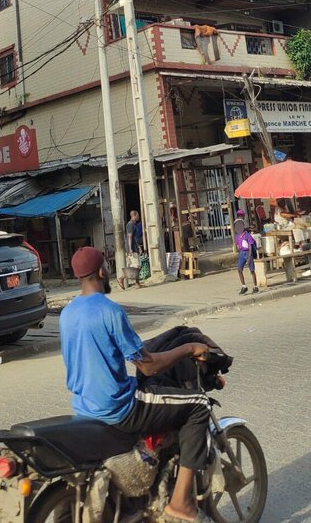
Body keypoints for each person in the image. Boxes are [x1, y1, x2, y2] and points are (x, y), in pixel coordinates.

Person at [60, 246, 212, 523]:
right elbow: (148, 364)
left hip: (83, 406)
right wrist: (188, 347)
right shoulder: (109, 310)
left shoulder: (67, 313)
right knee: (199, 405)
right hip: (118, 408)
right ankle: (180, 503)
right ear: (102, 272)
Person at [117, 209, 144, 290]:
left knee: (136, 266)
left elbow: (135, 238)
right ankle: (121, 279)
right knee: (135, 266)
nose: (138, 217)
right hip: (132, 248)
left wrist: (139, 246)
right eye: (138, 215)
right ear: (134, 215)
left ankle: (137, 283)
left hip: (135, 247)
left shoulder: (134, 224)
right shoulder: (130, 224)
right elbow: (129, 236)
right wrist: (130, 248)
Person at [234, 220, 259, 295]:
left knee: (252, 270)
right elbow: (238, 246)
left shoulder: (247, 235)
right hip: (241, 253)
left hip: (248, 252)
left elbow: (250, 246)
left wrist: (249, 257)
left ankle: (255, 286)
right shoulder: (237, 236)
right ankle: (244, 286)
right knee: (239, 269)